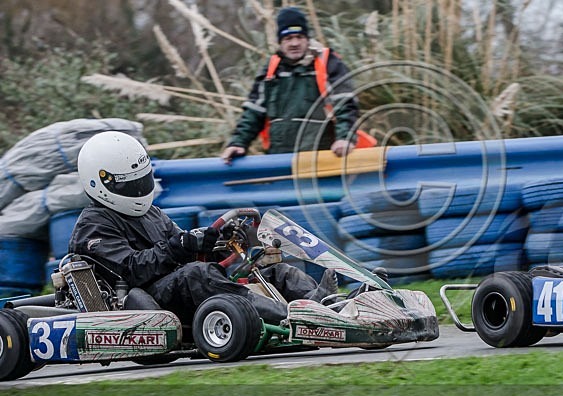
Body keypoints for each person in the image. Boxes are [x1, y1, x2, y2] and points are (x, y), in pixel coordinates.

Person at [69, 131, 337, 324]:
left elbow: (184, 249)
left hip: (180, 290)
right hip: (144, 304)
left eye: (141, 180)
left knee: (272, 270)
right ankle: (291, 318)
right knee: (197, 274)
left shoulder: (151, 213)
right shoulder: (93, 226)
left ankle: (324, 305)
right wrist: (180, 247)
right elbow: (130, 270)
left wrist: (215, 243)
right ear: (99, 183)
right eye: (130, 183)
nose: (138, 189)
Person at [221, 7, 361, 163]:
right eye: (288, 38)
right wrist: (238, 143)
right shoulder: (271, 71)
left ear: (307, 39)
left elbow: (346, 105)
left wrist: (345, 138)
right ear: (280, 42)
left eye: (299, 37)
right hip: (279, 161)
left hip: (322, 160)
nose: (294, 43)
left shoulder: (328, 63)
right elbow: (253, 113)